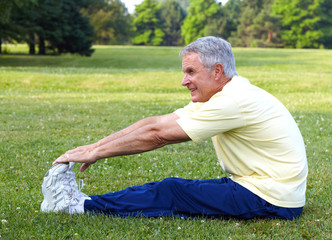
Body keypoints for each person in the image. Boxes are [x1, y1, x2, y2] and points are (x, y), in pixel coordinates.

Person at [41, 36, 308, 220]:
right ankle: (86, 202)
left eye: (191, 72)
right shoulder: (225, 94)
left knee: (173, 192)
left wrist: (97, 153)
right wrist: (94, 147)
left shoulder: (232, 101)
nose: (184, 81)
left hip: (271, 199)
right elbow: (155, 123)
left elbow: (158, 137)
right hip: (263, 188)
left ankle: (79, 207)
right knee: (172, 188)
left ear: (217, 71)